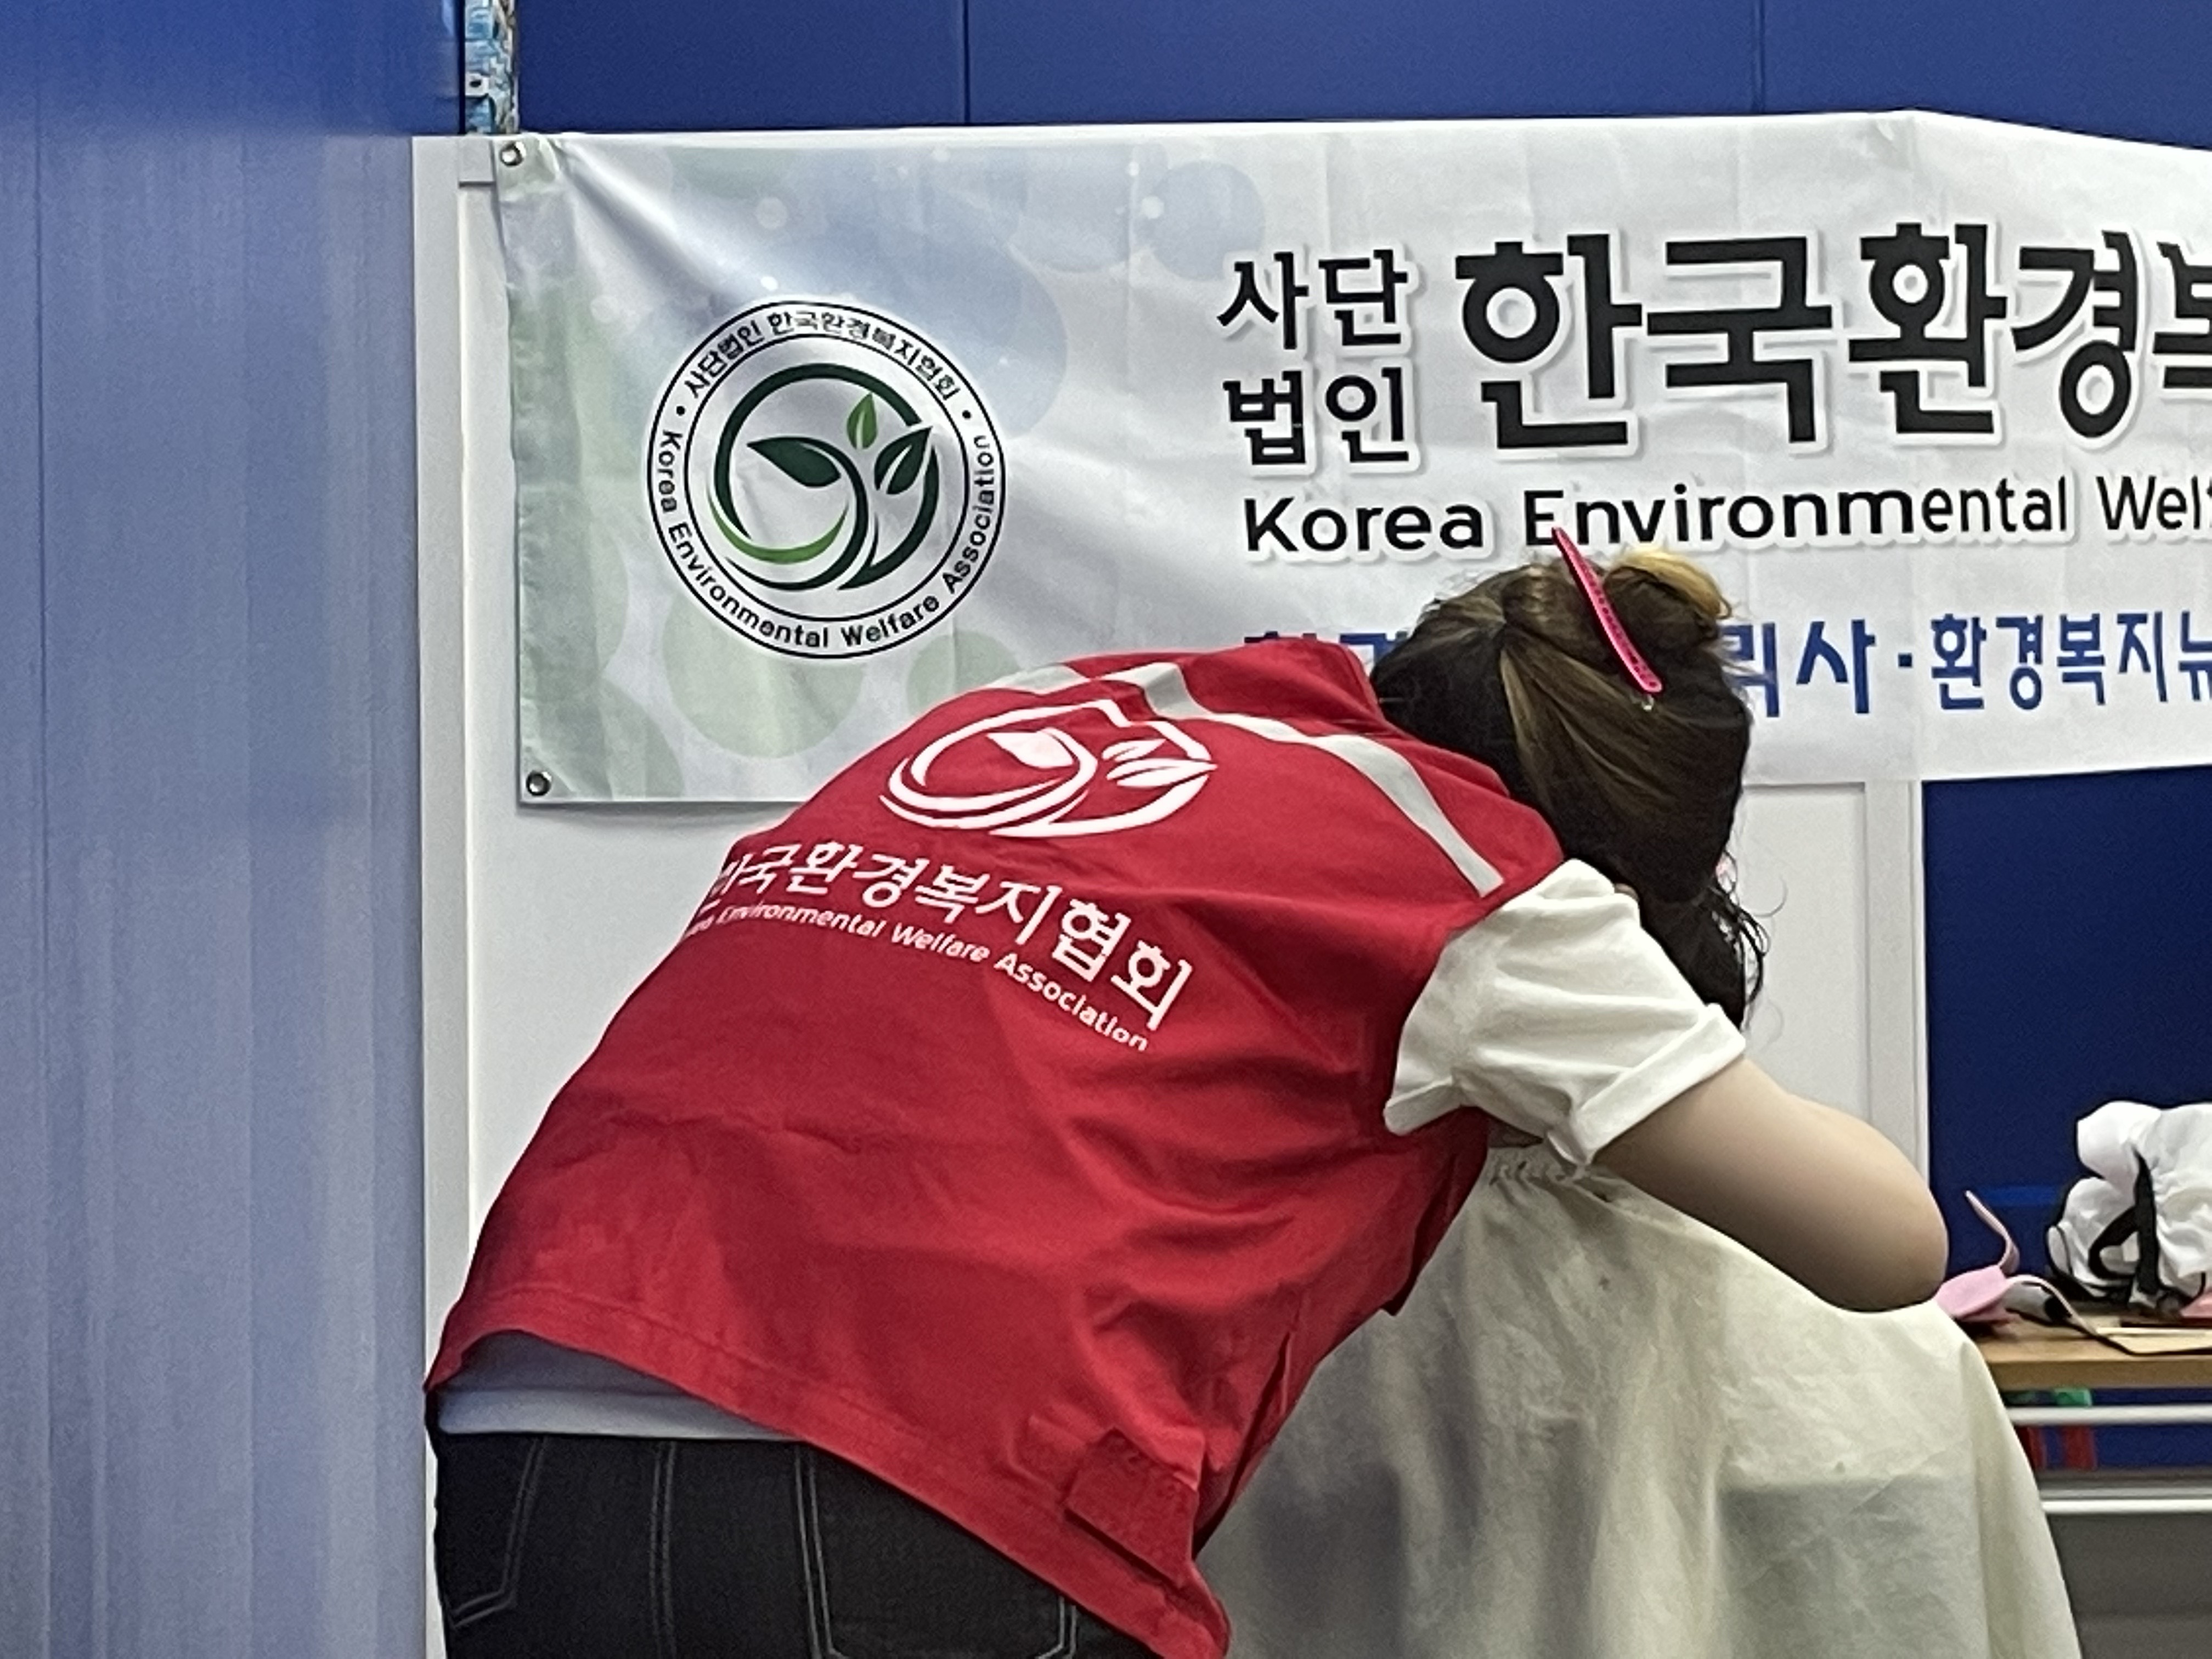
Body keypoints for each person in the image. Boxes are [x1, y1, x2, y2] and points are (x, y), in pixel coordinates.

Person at [425, 538, 1948, 1659]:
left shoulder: (1053, 718)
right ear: (1622, 862)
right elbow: (1886, 1245)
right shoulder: (1477, 875)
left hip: (530, 1419)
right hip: (916, 1478)